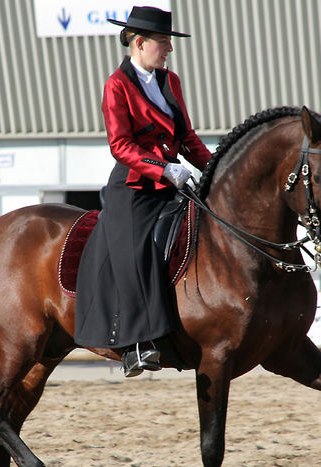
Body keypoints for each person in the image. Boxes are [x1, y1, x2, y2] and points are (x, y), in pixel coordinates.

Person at [74, 6, 211, 377]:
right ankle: (135, 343)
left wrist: (214, 167)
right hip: (134, 186)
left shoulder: (171, 81)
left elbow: (186, 135)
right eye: (164, 42)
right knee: (137, 251)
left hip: (172, 182)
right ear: (139, 43)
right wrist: (164, 169)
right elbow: (120, 145)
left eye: (168, 42)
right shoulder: (116, 85)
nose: (169, 49)